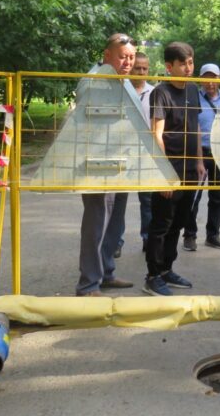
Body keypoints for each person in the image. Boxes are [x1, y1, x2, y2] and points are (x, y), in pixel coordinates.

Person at [75, 33, 137, 297]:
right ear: (107, 55)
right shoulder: (94, 80)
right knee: (97, 224)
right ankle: (88, 284)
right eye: (123, 57)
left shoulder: (122, 80)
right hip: (98, 165)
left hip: (120, 162)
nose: (128, 63)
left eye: (131, 57)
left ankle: (106, 272)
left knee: (114, 224)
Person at [142, 42, 204, 296]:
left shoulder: (193, 89)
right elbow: (157, 134)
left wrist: (199, 161)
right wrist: (164, 173)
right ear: (169, 67)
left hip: (190, 169)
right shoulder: (161, 92)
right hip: (169, 170)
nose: (188, 68)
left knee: (179, 223)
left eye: (191, 62)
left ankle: (167, 269)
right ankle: (153, 276)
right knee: (161, 225)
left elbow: (196, 127)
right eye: (182, 64)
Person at [182, 63, 220, 251]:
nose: (210, 83)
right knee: (193, 197)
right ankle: (189, 235)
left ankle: (213, 235)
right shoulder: (194, 98)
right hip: (199, 152)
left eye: (214, 78)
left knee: (217, 197)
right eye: (206, 78)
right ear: (200, 79)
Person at [131, 52, 154, 253]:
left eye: (144, 68)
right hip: (123, 151)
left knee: (147, 200)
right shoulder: (121, 89)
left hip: (146, 153)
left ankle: (148, 238)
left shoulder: (154, 93)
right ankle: (115, 242)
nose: (141, 72)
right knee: (116, 200)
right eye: (137, 68)